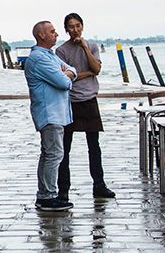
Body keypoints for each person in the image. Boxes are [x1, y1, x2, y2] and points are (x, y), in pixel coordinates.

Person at [54, 13, 115, 199]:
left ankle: (99, 185)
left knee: (94, 146)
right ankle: (63, 190)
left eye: (78, 26)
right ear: (66, 29)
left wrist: (84, 49)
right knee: (65, 148)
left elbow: (96, 69)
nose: (75, 30)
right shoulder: (61, 51)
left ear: (82, 26)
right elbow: (65, 76)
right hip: (70, 102)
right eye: (71, 27)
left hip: (89, 100)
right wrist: (86, 72)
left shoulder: (93, 46)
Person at [24, 20, 76, 211]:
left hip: (57, 113)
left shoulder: (50, 56)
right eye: (53, 31)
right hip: (50, 113)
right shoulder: (40, 59)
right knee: (53, 154)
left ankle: (47, 194)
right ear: (42, 35)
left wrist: (69, 73)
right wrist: (67, 75)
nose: (57, 34)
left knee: (51, 154)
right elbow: (63, 82)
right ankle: (47, 195)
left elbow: (73, 70)